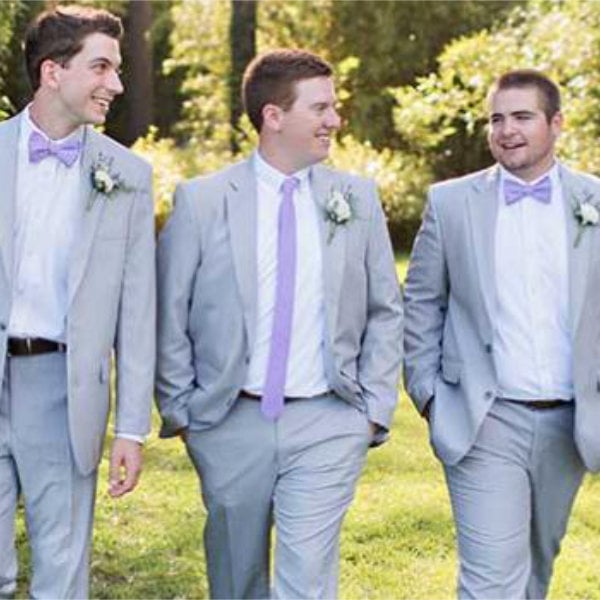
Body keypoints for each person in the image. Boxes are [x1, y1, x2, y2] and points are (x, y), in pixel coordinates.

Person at [156, 48, 402, 599]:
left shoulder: (356, 199)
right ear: (274, 116)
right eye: (320, 108)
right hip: (227, 421)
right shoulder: (202, 201)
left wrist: (371, 411)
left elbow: (387, 309)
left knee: (306, 579)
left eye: (333, 108)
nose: (334, 120)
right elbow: (169, 312)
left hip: (329, 421)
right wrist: (185, 412)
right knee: (236, 579)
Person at [404, 69, 600, 599]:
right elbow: (421, 304)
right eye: (496, 118)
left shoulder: (594, 202)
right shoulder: (451, 204)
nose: (506, 130)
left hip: (571, 422)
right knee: (492, 580)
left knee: (537, 568)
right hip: (486, 418)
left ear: (556, 123)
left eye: (522, 117)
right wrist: (431, 397)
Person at [0, 5, 155, 598]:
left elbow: (138, 315)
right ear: (52, 72)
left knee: (62, 575)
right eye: (102, 67)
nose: (116, 83)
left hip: (63, 391)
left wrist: (132, 429)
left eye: (116, 69)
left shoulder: (129, 176)